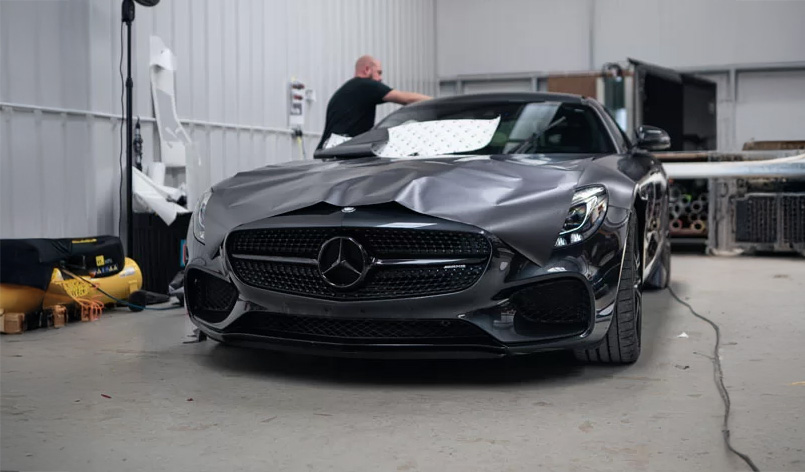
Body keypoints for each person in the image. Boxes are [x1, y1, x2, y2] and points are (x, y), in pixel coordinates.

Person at [316, 55, 431, 149]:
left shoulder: (347, 90)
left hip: (327, 151)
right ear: (367, 70)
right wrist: (437, 102)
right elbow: (406, 99)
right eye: (379, 72)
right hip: (341, 153)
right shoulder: (366, 85)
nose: (380, 79)